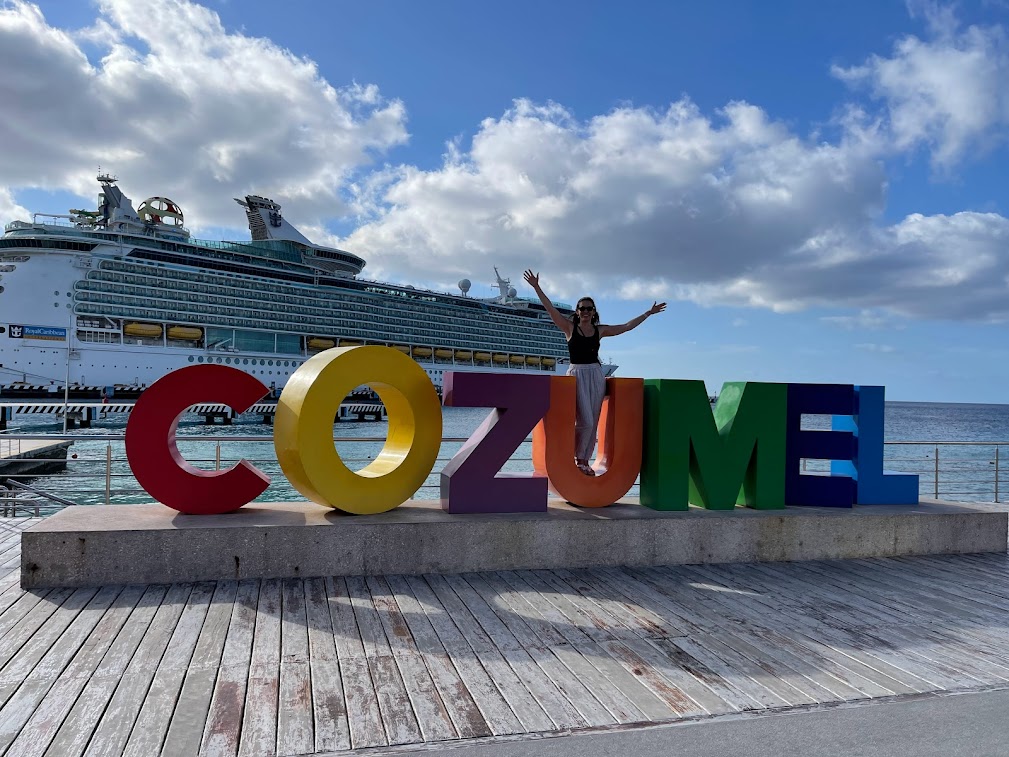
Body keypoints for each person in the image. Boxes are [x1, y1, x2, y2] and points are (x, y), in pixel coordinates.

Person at [523, 270, 666, 476]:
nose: (586, 312)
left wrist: (647, 313)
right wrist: (537, 287)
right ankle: (574, 456)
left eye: (589, 308)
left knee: (594, 418)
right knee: (585, 421)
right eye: (582, 309)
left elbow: (625, 327)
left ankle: (583, 460)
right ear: (577, 311)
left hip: (596, 375)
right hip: (576, 375)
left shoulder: (599, 331)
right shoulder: (569, 328)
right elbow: (550, 310)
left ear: (593, 311)